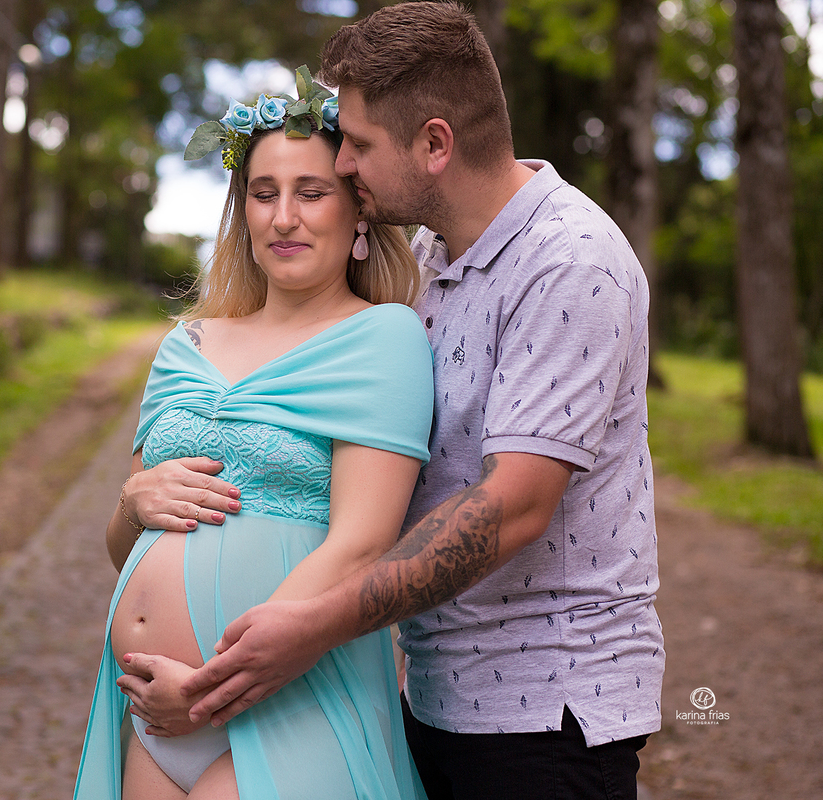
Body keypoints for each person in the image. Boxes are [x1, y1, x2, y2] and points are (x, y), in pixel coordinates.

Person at [127, 5, 664, 799]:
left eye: (360, 144)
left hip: (545, 710)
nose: (344, 164)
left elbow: (512, 507)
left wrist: (316, 624)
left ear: (435, 144)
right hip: (435, 694)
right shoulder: (427, 258)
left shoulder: (572, 261)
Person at [74, 68, 433, 800]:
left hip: (292, 702)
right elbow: (127, 548)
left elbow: (360, 544)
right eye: (263, 195)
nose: (283, 217)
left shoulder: (382, 337)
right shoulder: (188, 344)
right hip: (154, 719)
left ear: (358, 210)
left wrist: (211, 686)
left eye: (311, 192)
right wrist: (131, 504)